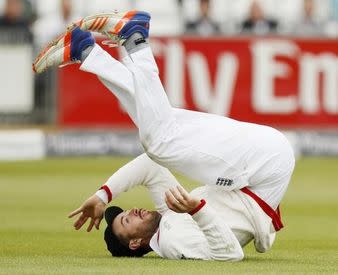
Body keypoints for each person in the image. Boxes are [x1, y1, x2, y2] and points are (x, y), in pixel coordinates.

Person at [33, 10, 295, 261]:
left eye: (125, 214)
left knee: (157, 120)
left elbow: (149, 168)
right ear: (135, 243)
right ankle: (135, 38)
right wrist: (196, 210)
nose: (131, 212)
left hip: (256, 166)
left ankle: (86, 50)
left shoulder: (168, 215)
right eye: (127, 221)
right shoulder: (172, 242)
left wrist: (103, 196)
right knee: (159, 142)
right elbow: (230, 254)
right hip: (262, 173)